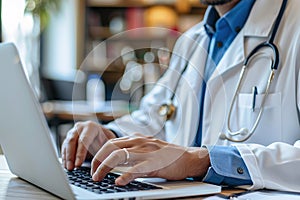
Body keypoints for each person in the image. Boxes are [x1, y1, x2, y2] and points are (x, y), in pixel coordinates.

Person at [62, 0, 300, 192]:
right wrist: (109, 139)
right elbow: (156, 118)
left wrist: (199, 160)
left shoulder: (294, 27)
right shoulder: (193, 39)